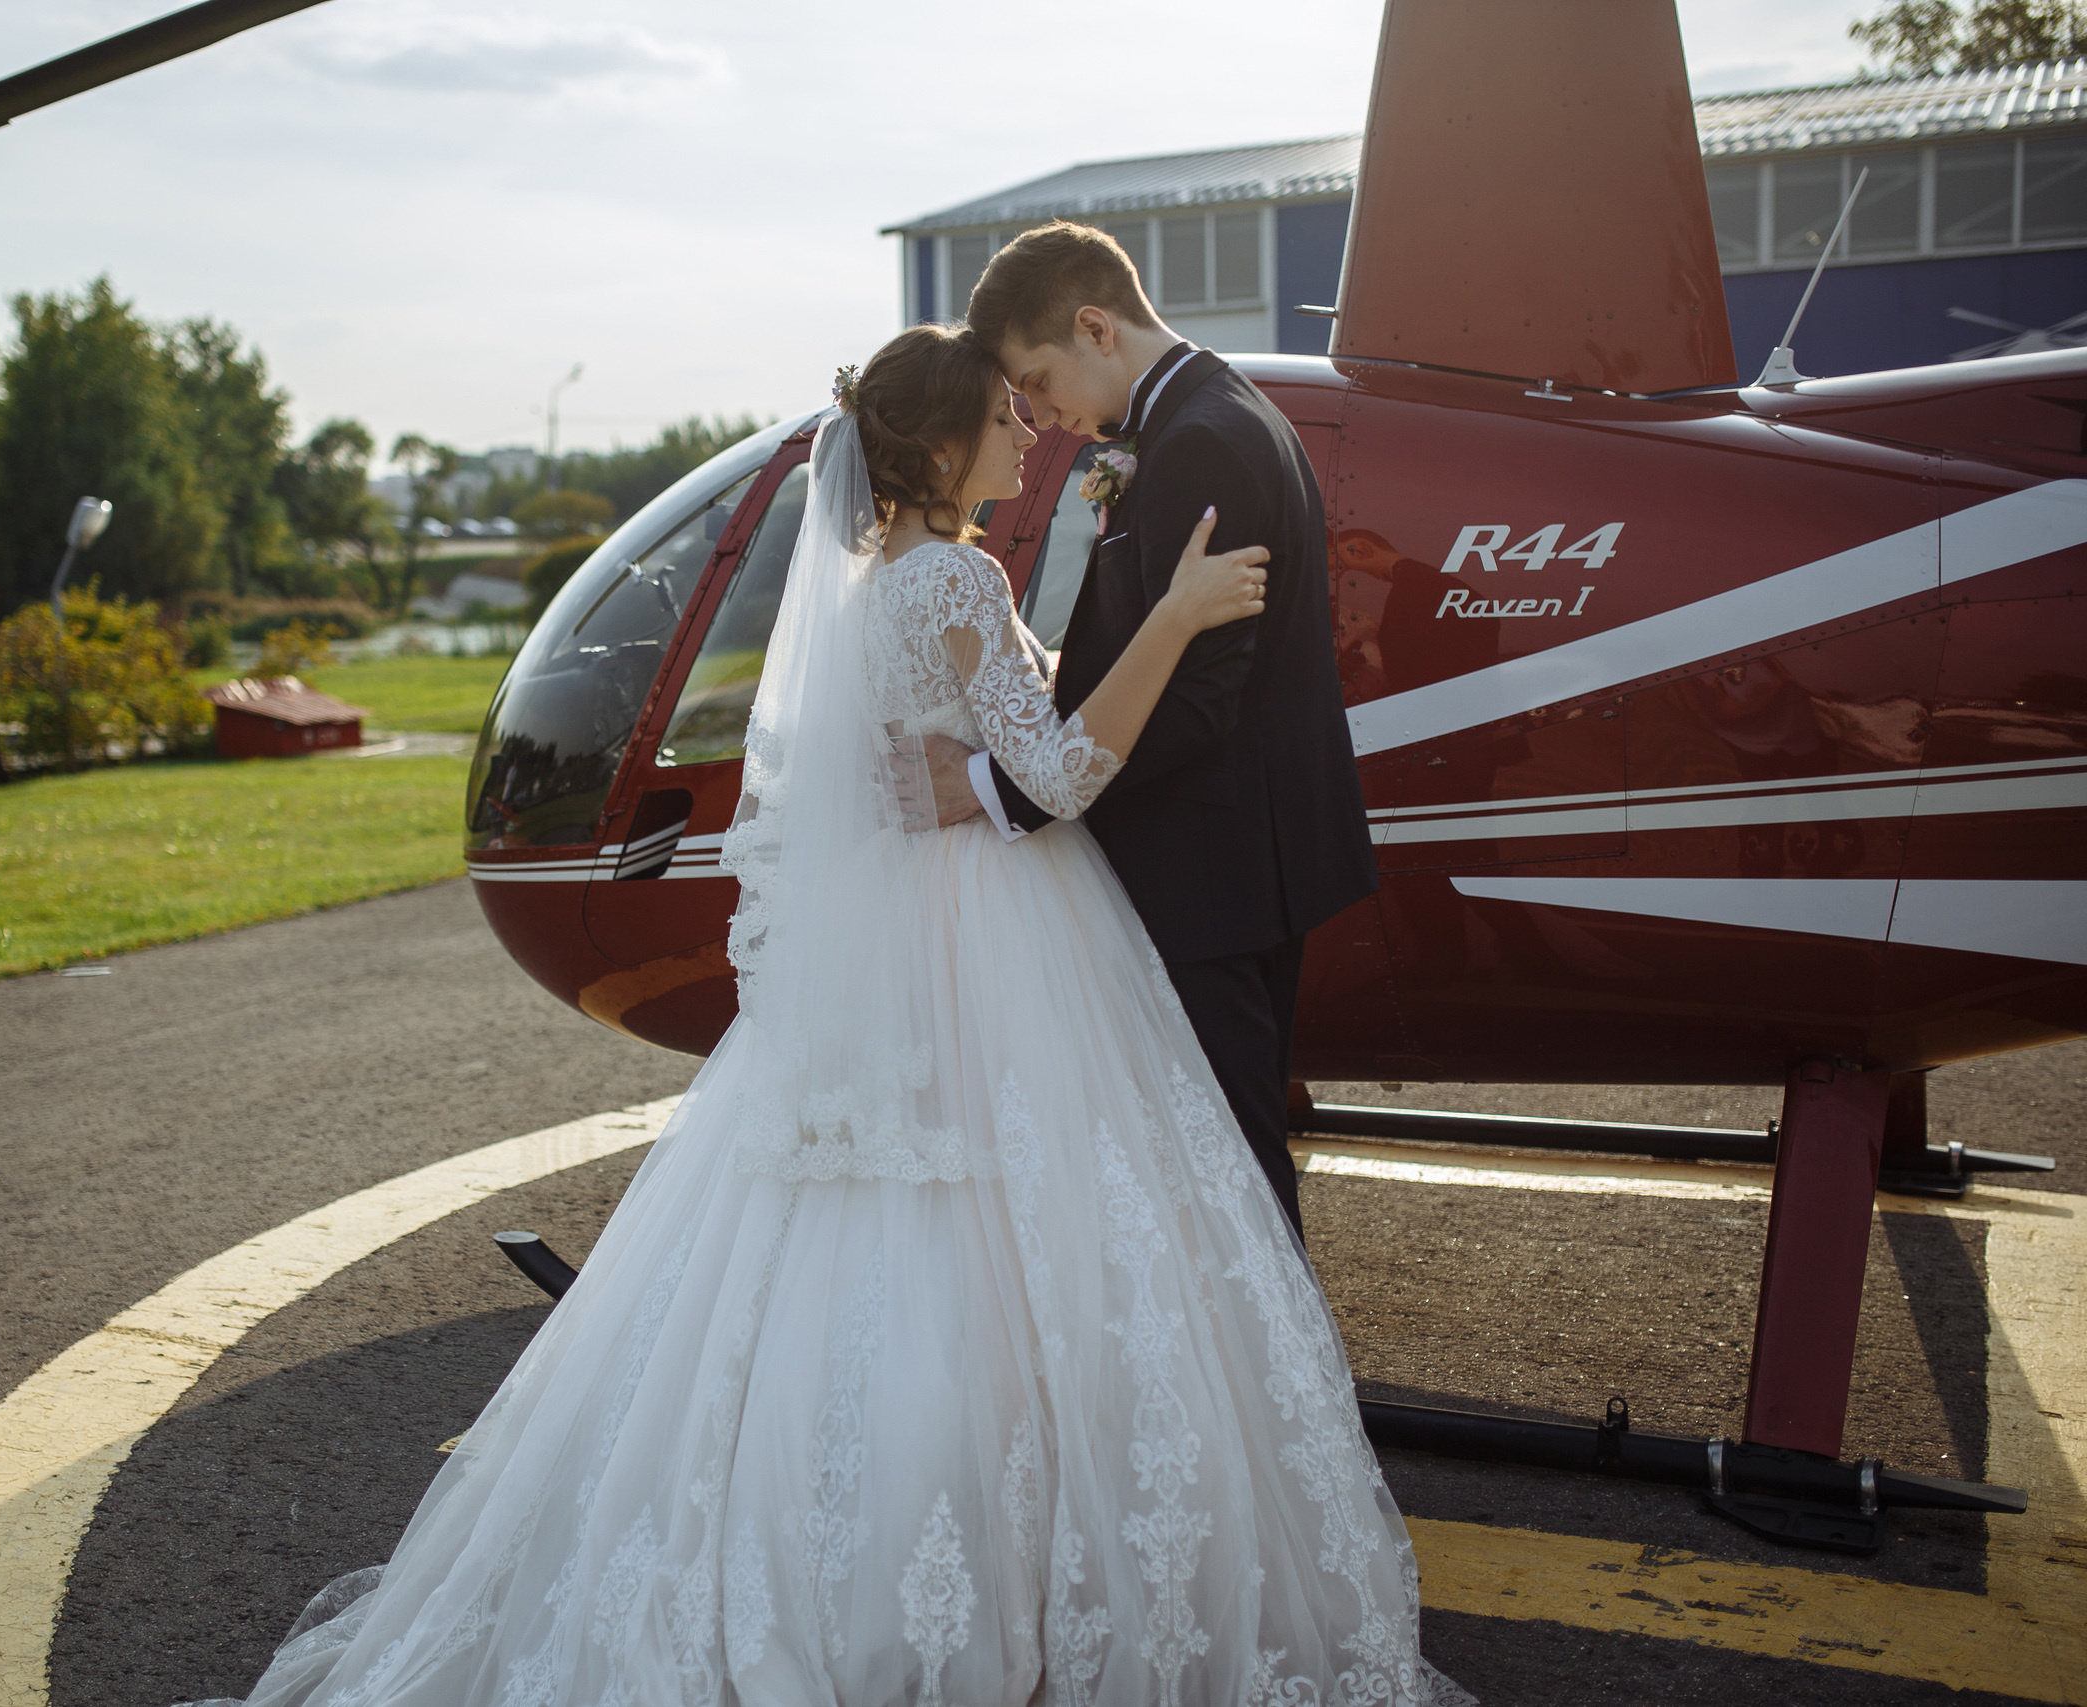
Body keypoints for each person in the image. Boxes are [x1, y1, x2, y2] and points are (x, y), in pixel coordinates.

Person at [184, 327, 1463, 1707]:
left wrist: (975, 764)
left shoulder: (861, 591)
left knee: (862, 1229)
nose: (1028, 433)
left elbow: (925, 773)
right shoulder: (960, 577)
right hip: (1000, 931)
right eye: (1000, 417)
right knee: (1028, 1224)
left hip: (918, 934)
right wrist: (1179, 611)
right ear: (932, 451)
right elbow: (1068, 771)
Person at [920, 222, 1380, 1238]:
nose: (1039, 416)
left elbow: (1197, 702)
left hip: (1209, 870)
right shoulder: (1207, 418)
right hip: (1229, 857)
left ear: (1095, 326)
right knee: (1214, 1144)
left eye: (1037, 382)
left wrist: (1006, 786)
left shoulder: (1200, 440)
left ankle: (1276, 1387)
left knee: (1228, 1157)